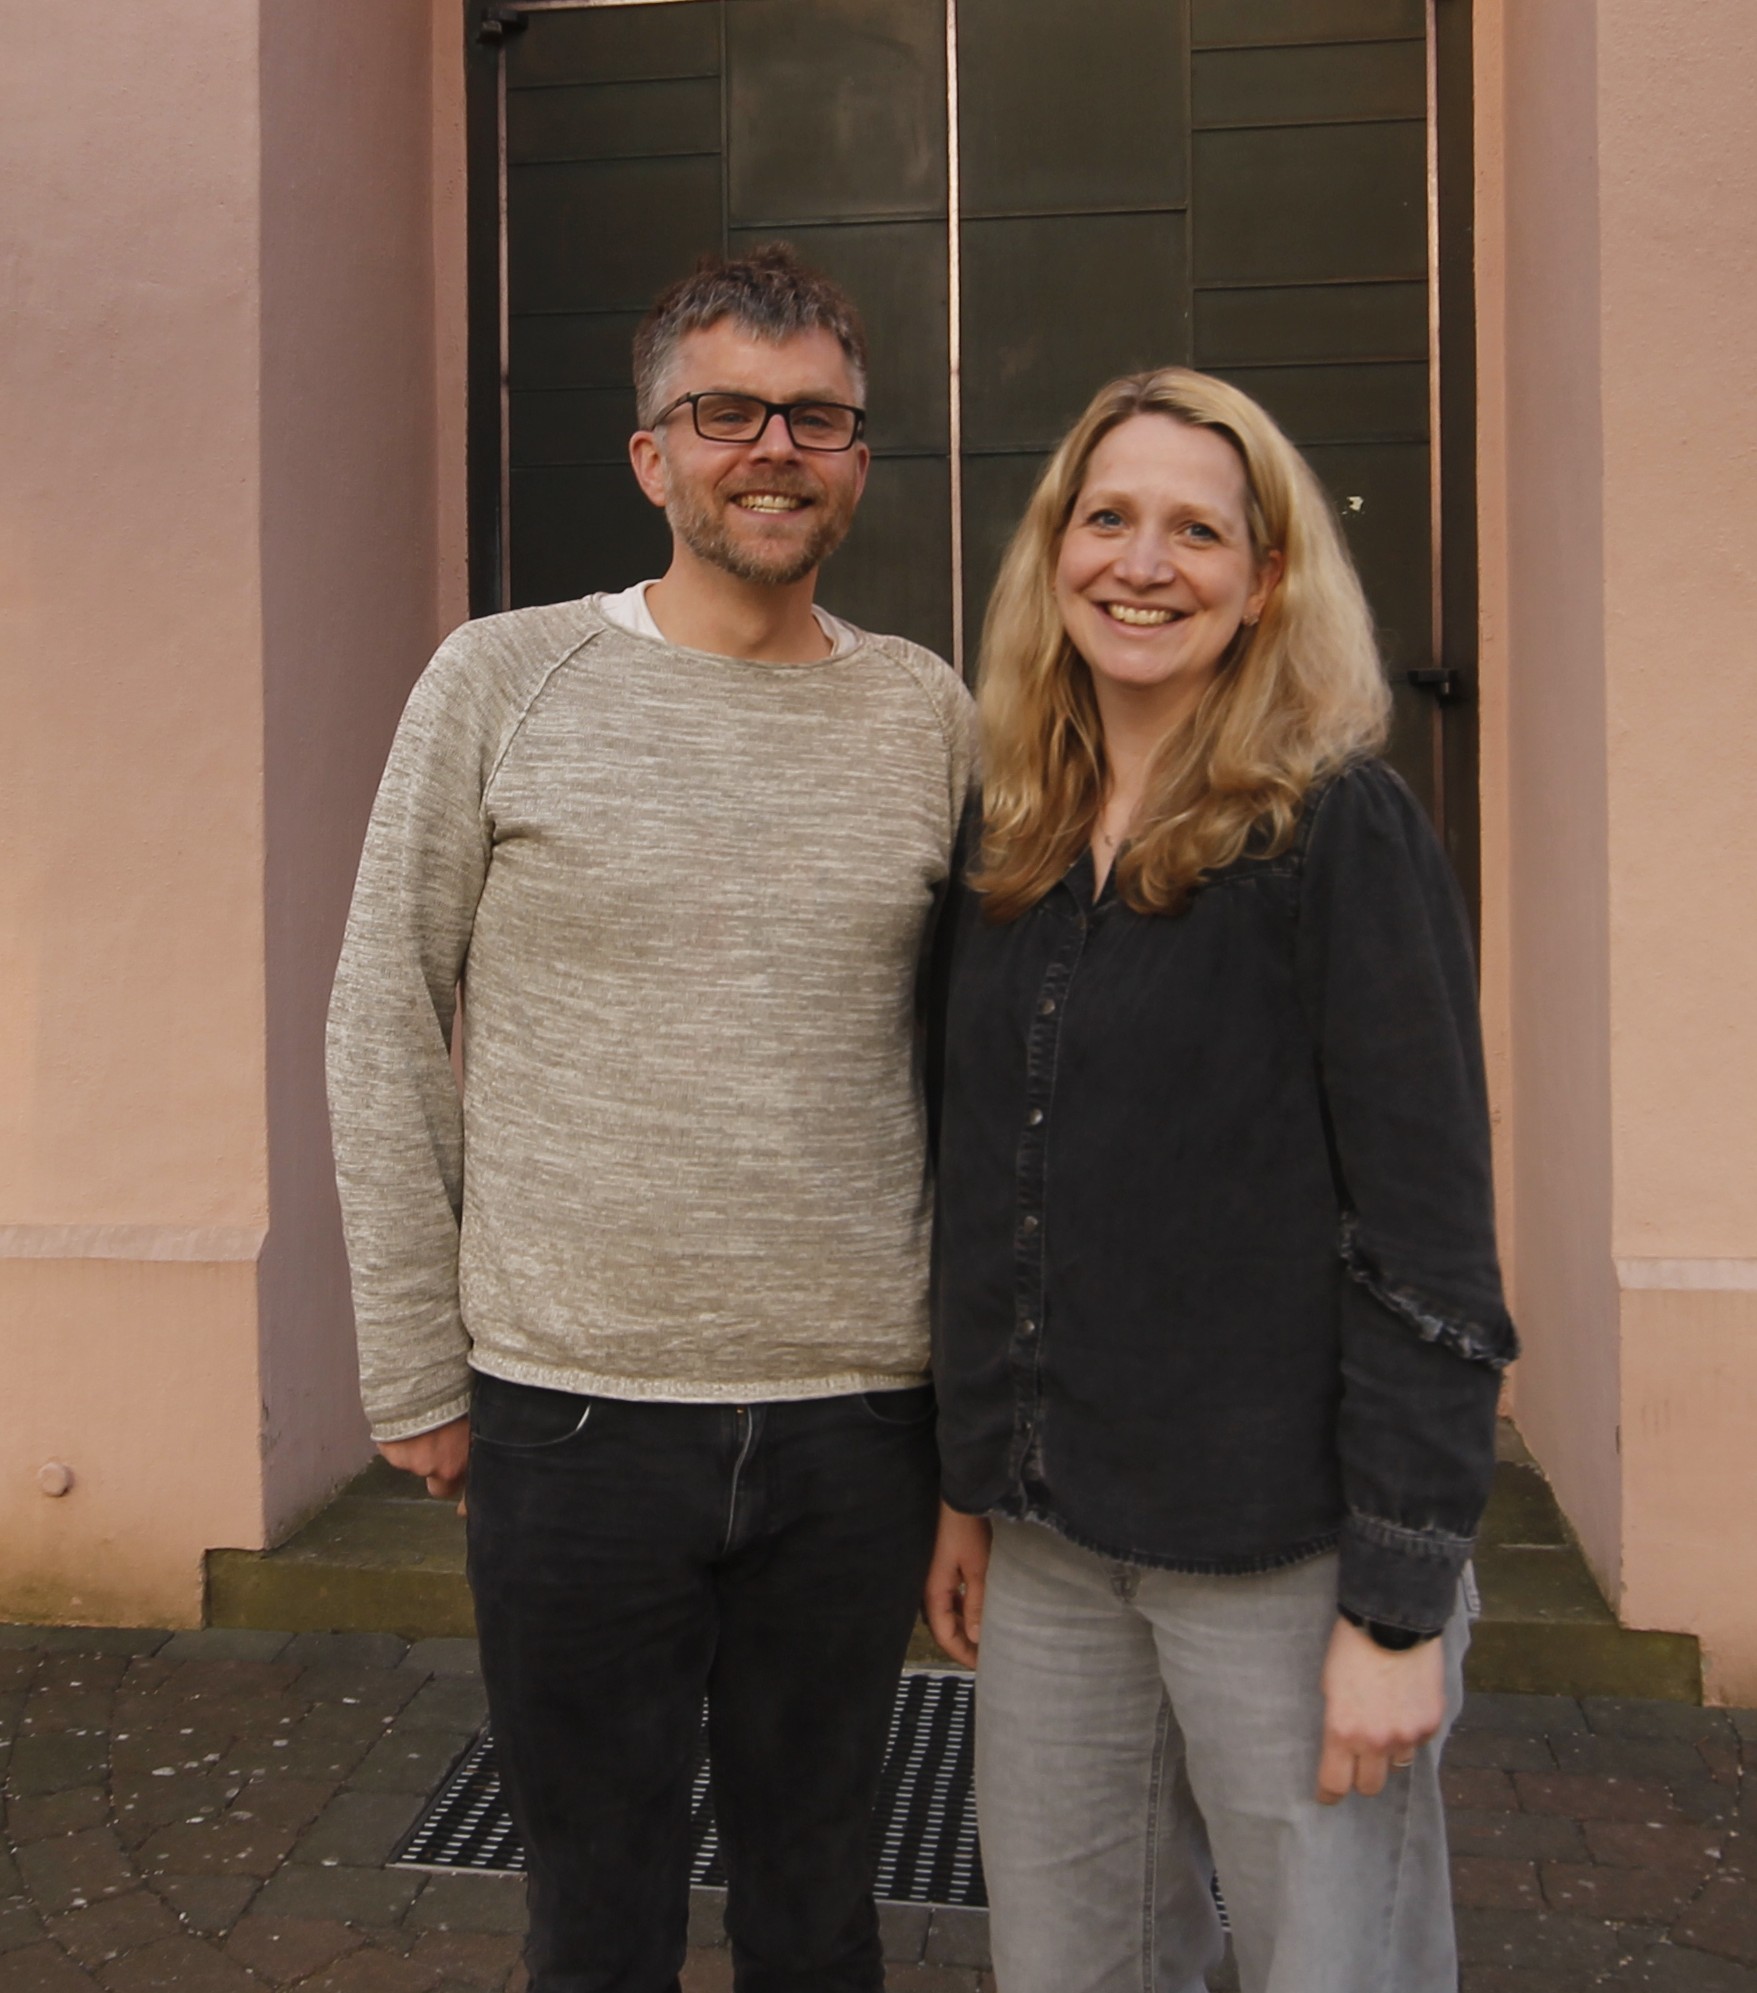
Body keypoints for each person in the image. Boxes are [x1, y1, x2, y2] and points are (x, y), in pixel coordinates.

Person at [327, 244, 974, 1993]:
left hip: (856, 1421)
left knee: (818, 1901)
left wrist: (979, 1419)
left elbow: (987, 1070)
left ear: (855, 453)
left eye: (815, 417)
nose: (772, 447)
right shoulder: (500, 678)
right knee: (594, 1912)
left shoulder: (927, 711)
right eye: (724, 412)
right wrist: (413, 1364)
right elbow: (383, 1005)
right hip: (573, 1414)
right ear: (650, 454)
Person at [922, 367, 1514, 1993]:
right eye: (1106, 518)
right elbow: (983, 1187)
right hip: (1051, 1548)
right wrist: (970, 1482)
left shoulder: (1336, 835)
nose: (1142, 561)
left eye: (1198, 530)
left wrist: (1396, 1607)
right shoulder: (1011, 839)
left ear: (1264, 581)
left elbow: (1428, 1237)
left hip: (1283, 1557)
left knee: (1340, 1968)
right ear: (1053, 558)